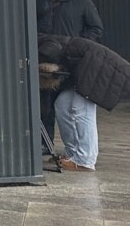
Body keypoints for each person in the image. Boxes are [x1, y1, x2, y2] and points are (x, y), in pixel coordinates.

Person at [36, 0, 103, 157]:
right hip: (43, 64)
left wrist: (78, 46)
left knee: (73, 110)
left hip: (71, 65)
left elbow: (96, 29)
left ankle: (79, 153)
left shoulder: (81, 1)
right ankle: (45, 144)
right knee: (45, 106)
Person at [39, 33, 130, 173]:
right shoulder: (44, 39)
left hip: (96, 68)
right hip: (88, 67)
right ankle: (71, 153)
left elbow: (54, 50)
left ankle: (85, 160)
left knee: (81, 110)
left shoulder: (42, 42)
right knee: (62, 104)